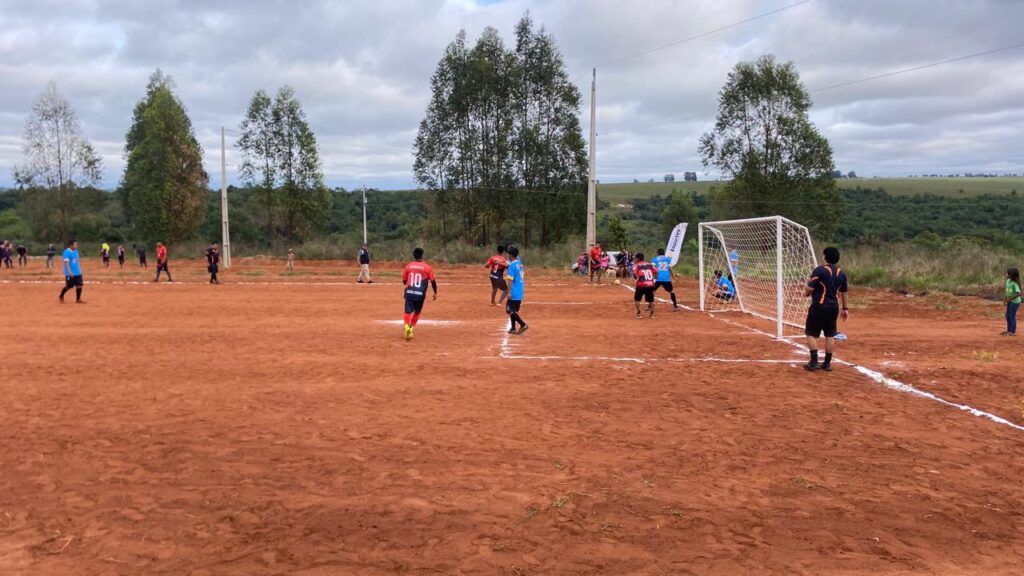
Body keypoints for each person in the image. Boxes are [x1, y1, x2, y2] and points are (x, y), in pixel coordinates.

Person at [803, 246, 849, 372]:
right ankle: (827, 363)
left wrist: (806, 287)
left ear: (824, 256)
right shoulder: (842, 273)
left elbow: (810, 289)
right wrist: (845, 309)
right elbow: (844, 292)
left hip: (820, 305)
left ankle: (814, 361)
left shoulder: (820, 270)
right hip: (834, 306)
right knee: (830, 334)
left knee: (811, 333)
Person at [401, 247, 438, 341]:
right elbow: (433, 281)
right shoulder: (427, 267)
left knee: (407, 311)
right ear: (422, 255)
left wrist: (409, 285)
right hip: (420, 294)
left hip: (409, 292)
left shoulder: (408, 266)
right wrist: (435, 292)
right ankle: (411, 328)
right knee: (417, 312)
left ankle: (406, 327)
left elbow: (404, 281)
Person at [505, 245, 528, 334]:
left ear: (511, 255)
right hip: (520, 289)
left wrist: (509, 292)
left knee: (510, 310)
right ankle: (513, 328)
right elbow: (516, 256)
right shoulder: (519, 262)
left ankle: (523, 324)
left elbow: (510, 280)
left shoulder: (512, 266)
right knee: (512, 310)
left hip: (514, 291)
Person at [631, 252, 657, 319]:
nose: (634, 260)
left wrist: (636, 279)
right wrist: (653, 278)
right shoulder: (650, 264)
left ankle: (639, 313)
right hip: (650, 284)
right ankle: (652, 314)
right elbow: (656, 272)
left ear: (638, 259)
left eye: (635, 258)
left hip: (641, 284)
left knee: (637, 299)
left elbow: (634, 273)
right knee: (651, 300)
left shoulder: (637, 265)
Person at [59, 240, 84, 304]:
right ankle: (61, 296)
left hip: (77, 272)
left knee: (79, 285)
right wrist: (69, 272)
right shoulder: (66, 252)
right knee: (69, 286)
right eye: (75, 245)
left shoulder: (76, 251)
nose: (76, 246)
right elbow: (66, 263)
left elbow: (77, 261)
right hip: (69, 273)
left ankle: (78, 299)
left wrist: (79, 270)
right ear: (71, 245)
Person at [1002, 267, 1021, 336]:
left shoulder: (1014, 283)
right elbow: (1007, 291)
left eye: (1007, 273)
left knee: (1011, 316)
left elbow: (1019, 293)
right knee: (1007, 316)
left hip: (1015, 302)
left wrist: (1010, 299)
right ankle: (1008, 330)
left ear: (1011, 274)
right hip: (1010, 301)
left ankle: (1012, 332)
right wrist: (1005, 299)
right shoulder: (1008, 281)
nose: (1006, 274)